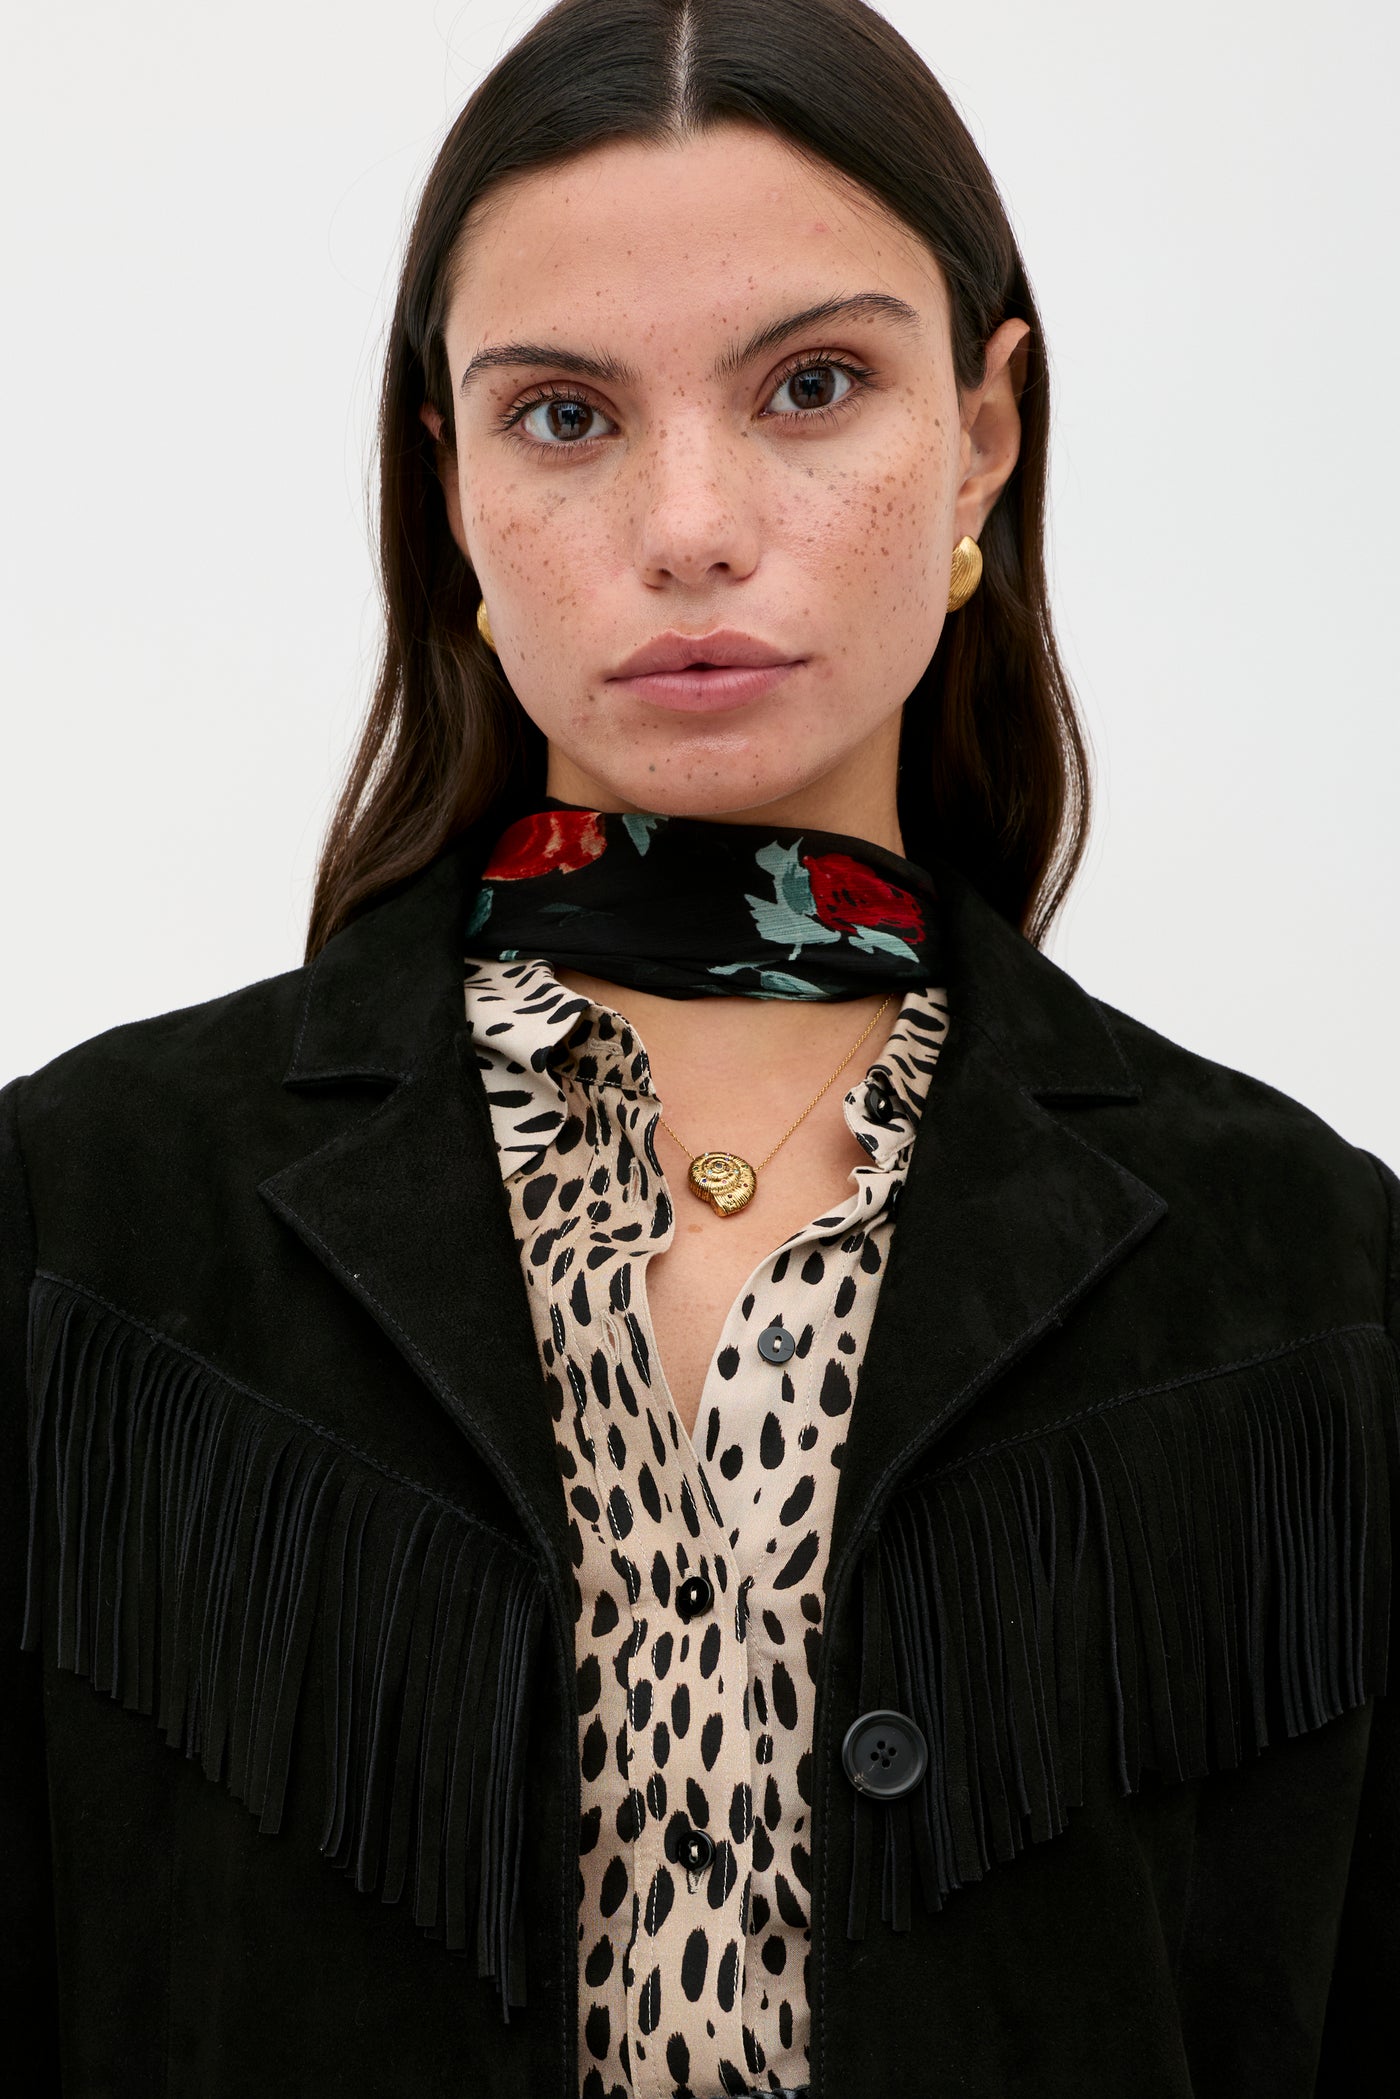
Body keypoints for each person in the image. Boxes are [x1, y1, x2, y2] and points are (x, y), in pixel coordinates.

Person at [3, 2, 1396, 2094]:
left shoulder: (1307, 1278)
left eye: (811, 386)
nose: (688, 523)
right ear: (448, 481)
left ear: (984, 431)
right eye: (564, 417)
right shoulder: (83, 1225)